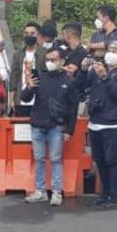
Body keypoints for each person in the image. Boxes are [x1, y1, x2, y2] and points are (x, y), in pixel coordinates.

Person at [78, 40, 117, 211]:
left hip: (113, 123)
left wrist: (105, 77)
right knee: (100, 160)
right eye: (110, 50)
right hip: (95, 121)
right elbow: (81, 86)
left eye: (116, 51)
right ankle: (105, 193)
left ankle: (114, 197)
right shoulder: (98, 68)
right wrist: (84, 69)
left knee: (111, 160)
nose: (111, 53)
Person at [21, 47, 78, 207]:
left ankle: (57, 192)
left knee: (56, 159)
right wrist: (29, 86)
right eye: (47, 59)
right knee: (38, 159)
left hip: (57, 127)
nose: (49, 62)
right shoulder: (39, 76)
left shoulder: (69, 81)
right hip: (37, 124)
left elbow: (73, 108)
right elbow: (24, 98)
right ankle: (40, 191)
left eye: (53, 60)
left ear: (62, 61)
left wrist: (69, 130)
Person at [10, 22, 46, 116]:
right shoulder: (18, 54)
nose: (29, 35)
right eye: (26, 33)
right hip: (21, 99)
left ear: (38, 35)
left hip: (39, 99)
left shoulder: (45, 53)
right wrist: (11, 99)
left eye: (32, 33)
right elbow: (14, 77)